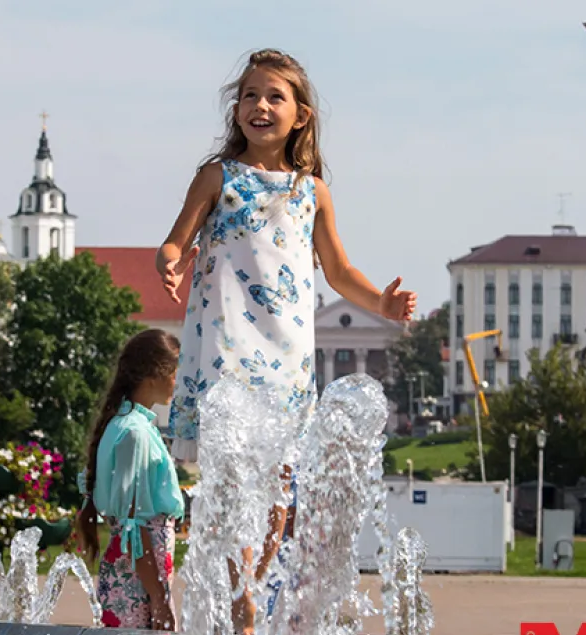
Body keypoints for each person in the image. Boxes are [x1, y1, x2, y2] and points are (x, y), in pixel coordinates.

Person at [155, 48, 417, 633]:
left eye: (275, 97)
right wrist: (169, 262)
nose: (260, 106)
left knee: (279, 488)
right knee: (229, 476)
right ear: (237, 109)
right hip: (226, 346)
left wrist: (383, 304)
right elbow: (175, 240)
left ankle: (250, 581)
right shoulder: (218, 177)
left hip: (287, 356)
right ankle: (238, 596)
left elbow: (339, 271)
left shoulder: (312, 192)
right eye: (250, 95)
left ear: (300, 115)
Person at [75, 329, 185, 631]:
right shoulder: (135, 433)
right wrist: (159, 598)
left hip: (132, 576)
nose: (179, 381)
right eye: (176, 372)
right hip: (139, 583)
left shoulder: (126, 425)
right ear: (155, 374)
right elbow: (134, 529)